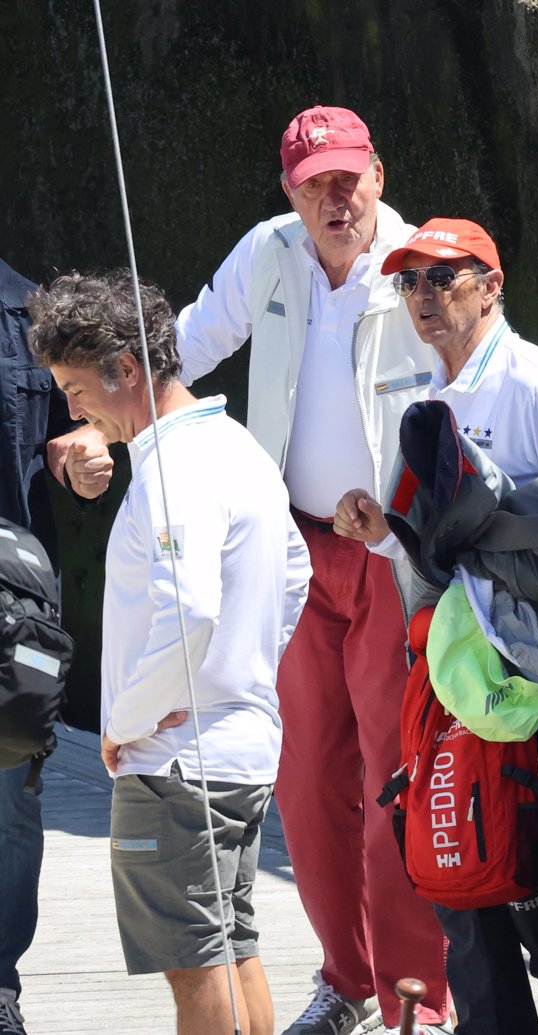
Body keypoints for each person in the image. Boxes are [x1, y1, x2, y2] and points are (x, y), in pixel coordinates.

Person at [174, 106, 451, 1035]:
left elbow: (481, 380)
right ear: (290, 195)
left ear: (379, 174)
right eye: (314, 185)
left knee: (395, 778)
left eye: (348, 179)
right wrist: (102, 413)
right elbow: (189, 343)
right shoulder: (269, 252)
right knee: (303, 781)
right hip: (292, 551)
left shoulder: (425, 266)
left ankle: (419, 996)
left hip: (394, 554)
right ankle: (347, 979)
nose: (336, 200)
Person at [334, 218, 538, 1035]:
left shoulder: (534, 383)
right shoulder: (427, 391)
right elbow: (438, 547)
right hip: (451, 680)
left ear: (491, 285)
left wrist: (505, 525)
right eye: (409, 281)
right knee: (459, 879)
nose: (423, 295)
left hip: (535, 687)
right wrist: (386, 531)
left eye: (443, 277)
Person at [27, 269, 311, 1035]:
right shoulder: (238, 446)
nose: (73, 410)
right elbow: (295, 571)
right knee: (231, 944)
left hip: (177, 762)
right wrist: (243, 671)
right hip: (238, 749)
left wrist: (126, 720)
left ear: (126, 369)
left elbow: (190, 609)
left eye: (76, 388)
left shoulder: (174, 467)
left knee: (195, 964)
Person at [0, 257, 113, 1035]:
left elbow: (78, 423)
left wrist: (81, 452)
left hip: (13, 607)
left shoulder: (27, 310)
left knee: (11, 797)